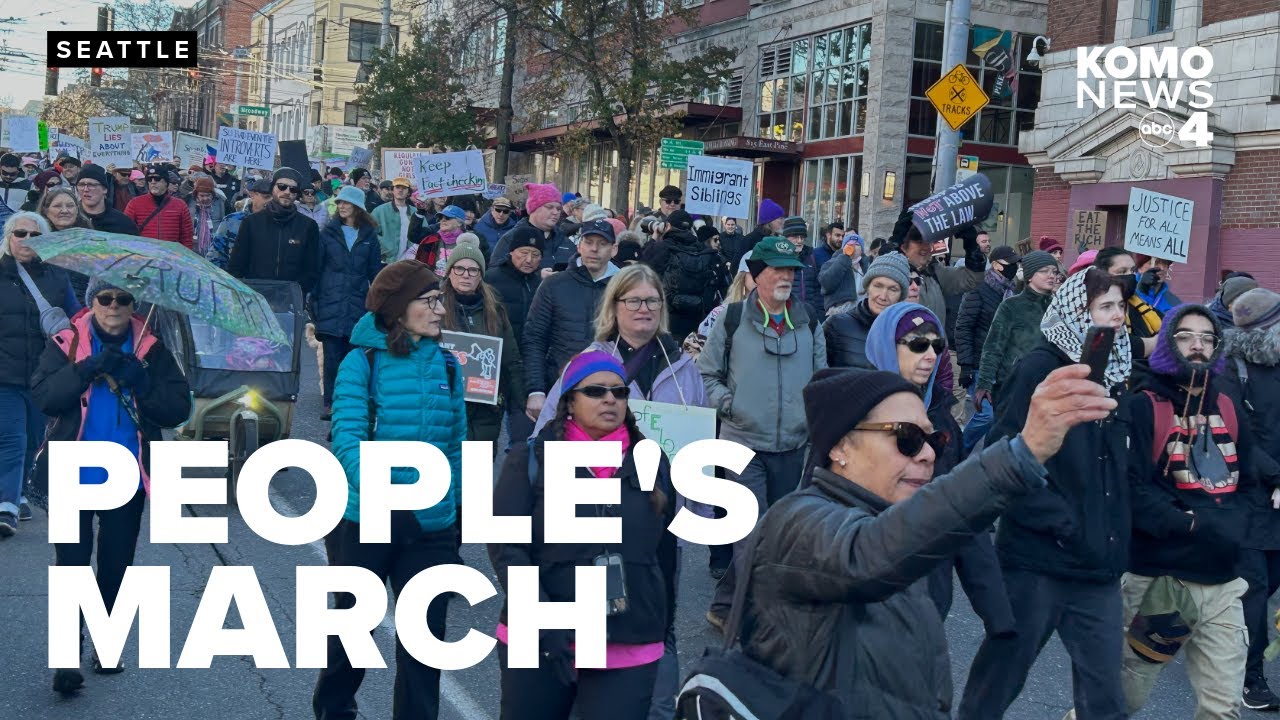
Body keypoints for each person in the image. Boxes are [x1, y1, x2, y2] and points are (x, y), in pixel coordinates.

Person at [732, 358, 1114, 717]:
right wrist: (1022, 452)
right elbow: (867, 554)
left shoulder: (893, 524)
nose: (928, 455)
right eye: (907, 438)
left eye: (935, 441)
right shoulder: (798, 520)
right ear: (840, 446)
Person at [957, 267, 1134, 720]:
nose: (1117, 317)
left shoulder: (1118, 374)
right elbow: (1004, 452)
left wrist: (1115, 529)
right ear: (1078, 311)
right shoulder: (1041, 368)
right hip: (1037, 560)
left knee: (1106, 699)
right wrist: (1062, 521)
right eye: (1105, 307)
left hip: (1097, 566)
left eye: (1121, 306)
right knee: (997, 682)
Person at [314, 260, 466, 720]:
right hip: (367, 519)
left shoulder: (447, 363)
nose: (441, 309)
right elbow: (347, 441)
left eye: (440, 299)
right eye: (431, 300)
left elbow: (456, 443)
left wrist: (457, 512)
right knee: (352, 634)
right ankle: (334, 710)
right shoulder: (363, 362)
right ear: (400, 311)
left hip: (431, 525)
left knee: (426, 645)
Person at [488, 350, 677, 720]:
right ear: (570, 401)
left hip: (628, 641)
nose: (610, 399)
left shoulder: (652, 463)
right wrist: (544, 623)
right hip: (542, 639)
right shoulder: (531, 459)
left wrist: (660, 624)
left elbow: (666, 555)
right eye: (595, 391)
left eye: (619, 392)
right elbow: (506, 547)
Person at [32, 277, 190, 692]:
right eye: (106, 298)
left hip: (127, 473)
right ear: (93, 302)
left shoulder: (151, 349)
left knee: (116, 565)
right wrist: (86, 369)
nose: (114, 306)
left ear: (133, 305)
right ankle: (66, 658)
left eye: (123, 299)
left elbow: (177, 409)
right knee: (71, 566)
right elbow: (45, 397)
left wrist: (141, 381)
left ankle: (106, 643)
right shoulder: (66, 340)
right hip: (73, 469)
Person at [1120, 303, 1275, 719]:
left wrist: (1234, 525)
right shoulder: (1142, 405)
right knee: (1123, 699)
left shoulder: (1226, 402)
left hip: (1223, 582)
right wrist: (1188, 522)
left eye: (1207, 338)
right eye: (1186, 336)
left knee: (1223, 708)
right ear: (1170, 343)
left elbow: (1247, 473)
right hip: (1163, 583)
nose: (1197, 345)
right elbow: (1131, 487)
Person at [698, 236, 827, 630]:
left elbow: (821, 379)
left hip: (792, 445)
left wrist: (812, 420)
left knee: (775, 533)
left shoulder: (808, 321)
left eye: (791, 270)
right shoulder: (732, 318)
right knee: (750, 535)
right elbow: (707, 373)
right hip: (742, 444)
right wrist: (729, 405)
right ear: (757, 276)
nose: (786, 277)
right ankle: (750, 622)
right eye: (777, 269)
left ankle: (723, 605)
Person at [865, 301, 1015, 638]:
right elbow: (817, 504)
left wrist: (997, 613)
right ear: (888, 346)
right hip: (864, 588)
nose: (930, 355)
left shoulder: (943, 420)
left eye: (937, 345)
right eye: (918, 344)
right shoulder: (853, 412)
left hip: (928, 595)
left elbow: (964, 511)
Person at [0, 212, 80, 534]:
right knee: (13, 438)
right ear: (8, 237)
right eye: (21, 233)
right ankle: (6, 506)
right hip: (3, 374)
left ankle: (18, 492)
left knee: (35, 439)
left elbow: (76, 319)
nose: (28, 240)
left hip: (41, 375)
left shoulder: (57, 276)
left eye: (36, 235)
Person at [1223, 289, 1280, 709]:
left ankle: (1210, 624)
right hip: (1246, 496)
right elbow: (1236, 436)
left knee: (1267, 581)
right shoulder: (1230, 369)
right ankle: (1250, 677)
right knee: (1254, 588)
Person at [522, 218, 620, 424]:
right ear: (579, 245)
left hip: (610, 394)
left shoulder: (625, 288)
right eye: (589, 242)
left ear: (614, 249)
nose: (594, 249)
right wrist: (535, 389)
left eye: (602, 244)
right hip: (559, 390)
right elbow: (534, 339)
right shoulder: (554, 285)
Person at [439, 236, 527, 448]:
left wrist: (522, 402)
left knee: (477, 473)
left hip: (484, 407)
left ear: (481, 275)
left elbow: (511, 358)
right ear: (449, 272)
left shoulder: (494, 309)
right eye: (459, 268)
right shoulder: (435, 307)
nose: (466, 275)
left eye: (473, 270)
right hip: (444, 404)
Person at [313, 185, 383, 419]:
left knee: (354, 356)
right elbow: (317, 268)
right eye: (339, 202)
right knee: (332, 356)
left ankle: (350, 401)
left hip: (357, 302)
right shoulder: (327, 233)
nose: (341, 206)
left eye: (347, 202)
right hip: (331, 299)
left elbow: (375, 272)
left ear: (358, 208)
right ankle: (330, 403)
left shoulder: (369, 236)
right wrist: (313, 300)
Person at [974, 250, 1059, 418]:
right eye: (1044, 271)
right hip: (1012, 385)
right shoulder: (1011, 306)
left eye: (1054, 271)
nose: (1051, 276)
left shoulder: (1059, 307)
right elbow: (993, 347)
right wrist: (984, 383)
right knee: (1006, 438)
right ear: (1029, 276)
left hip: (1048, 387)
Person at [955, 246, 1020, 452]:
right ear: (995, 265)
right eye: (1010, 264)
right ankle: (959, 449)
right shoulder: (979, 289)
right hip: (979, 364)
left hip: (1004, 365)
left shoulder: (1012, 291)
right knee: (986, 415)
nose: (1015, 268)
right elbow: (963, 327)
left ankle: (988, 458)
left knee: (999, 416)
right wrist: (965, 365)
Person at [227, 168, 321, 294]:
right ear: (273, 188)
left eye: (293, 189)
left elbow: (311, 269)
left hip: (291, 301)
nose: (287, 192)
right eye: (282, 186)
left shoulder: (308, 226)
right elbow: (236, 265)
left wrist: (297, 291)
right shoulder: (251, 222)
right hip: (256, 297)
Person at [639, 209, 724, 341]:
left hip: (666, 319)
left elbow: (641, 270)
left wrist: (654, 238)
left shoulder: (662, 248)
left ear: (667, 226)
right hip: (697, 320)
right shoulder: (704, 251)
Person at [823, 252, 911, 369]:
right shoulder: (836, 326)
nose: (883, 296)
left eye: (893, 289)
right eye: (878, 286)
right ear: (868, 287)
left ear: (901, 296)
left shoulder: (909, 333)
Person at [491, 183, 575, 270]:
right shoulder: (512, 237)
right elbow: (495, 274)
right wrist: (538, 277)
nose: (555, 212)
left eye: (558, 209)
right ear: (534, 208)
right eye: (549, 207)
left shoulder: (564, 240)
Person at [123, 164, 193, 248]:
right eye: (149, 179)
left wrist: (184, 258)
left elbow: (187, 236)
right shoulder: (134, 204)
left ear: (166, 182)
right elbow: (126, 234)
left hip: (171, 256)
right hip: (145, 255)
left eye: (157, 179)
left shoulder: (180, 205)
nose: (153, 182)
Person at [207, 179, 271, 270]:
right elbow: (216, 254)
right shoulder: (232, 221)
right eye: (266, 197)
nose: (270, 201)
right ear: (252, 195)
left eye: (274, 199)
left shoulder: (276, 223)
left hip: (263, 281)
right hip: (233, 279)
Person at [778, 216, 824, 320]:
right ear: (786, 237)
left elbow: (818, 289)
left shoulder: (812, 256)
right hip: (785, 316)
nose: (799, 241)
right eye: (795, 237)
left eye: (802, 237)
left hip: (810, 316)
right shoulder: (778, 258)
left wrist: (819, 314)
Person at [723, 199, 784, 272]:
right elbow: (735, 267)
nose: (783, 222)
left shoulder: (780, 240)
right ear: (770, 220)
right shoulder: (751, 240)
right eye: (780, 218)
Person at [76, 165, 138, 235]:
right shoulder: (72, 220)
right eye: (81, 185)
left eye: (92, 185)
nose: (86, 189)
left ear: (104, 189)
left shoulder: (123, 223)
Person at [371, 177, 421, 264]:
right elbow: (371, 232)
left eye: (404, 188)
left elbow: (424, 234)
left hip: (411, 262)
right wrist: (385, 248)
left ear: (408, 192)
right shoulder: (379, 211)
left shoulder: (415, 212)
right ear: (392, 190)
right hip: (386, 261)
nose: (400, 190)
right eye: (397, 187)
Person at [818, 231, 867, 317]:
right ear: (843, 247)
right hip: (839, 311)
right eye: (850, 244)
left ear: (862, 250)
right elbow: (826, 284)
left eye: (857, 245)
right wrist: (845, 258)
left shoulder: (866, 266)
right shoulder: (831, 263)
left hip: (862, 311)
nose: (854, 247)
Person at [414, 204, 467, 276]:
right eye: (441, 217)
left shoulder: (467, 243)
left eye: (448, 218)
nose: (443, 220)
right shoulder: (431, 241)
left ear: (459, 223)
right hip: (433, 284)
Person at [185, 176, 226, 259]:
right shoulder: (188, 201)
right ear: (196, 194)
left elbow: (225, 222)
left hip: (214, 247)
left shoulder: (221, 202)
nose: (205, 198)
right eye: (202, 195)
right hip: (193, 248)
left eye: (208, 195)